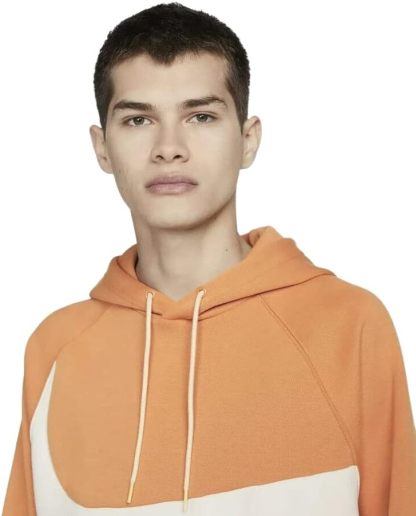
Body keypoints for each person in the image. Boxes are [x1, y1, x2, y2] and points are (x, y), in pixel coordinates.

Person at [2, 3, 416, 515]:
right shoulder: (55, 348)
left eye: (200, 116)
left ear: (248, 139)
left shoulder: (349, 325)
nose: (169, 147)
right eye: (138, 119)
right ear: (102, 148)